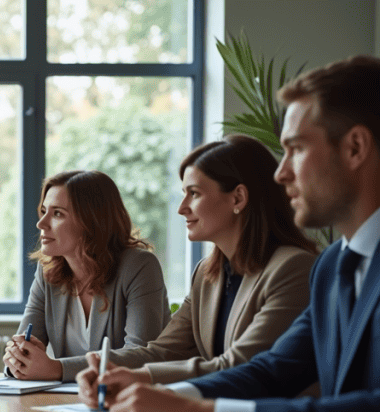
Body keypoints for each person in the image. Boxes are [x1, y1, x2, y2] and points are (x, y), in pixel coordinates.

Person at [77, 55, 380, 412]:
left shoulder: (300, 266)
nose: (282, 173)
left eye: (296, 149)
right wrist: (159, 396)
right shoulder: (332, 267)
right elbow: (273, 369)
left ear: (355, 147)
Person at [74, 135, 317, 390]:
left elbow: (241, 365)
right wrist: (101, 369)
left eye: (194, 193)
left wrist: (142, 378)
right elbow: (161, 352)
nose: (181, 208)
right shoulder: (206, 273)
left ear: (238, 199)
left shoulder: (293, 268)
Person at [2, 170, 171, 381]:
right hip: (66, 403)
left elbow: (142, 356)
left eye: (57, 214)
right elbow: (25, 348)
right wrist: (17, 361)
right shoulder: (46, 272)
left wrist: (57, 369)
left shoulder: (139, 266)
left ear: (91, 221)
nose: (41, 223)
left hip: (128, 401)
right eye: (44, 211)